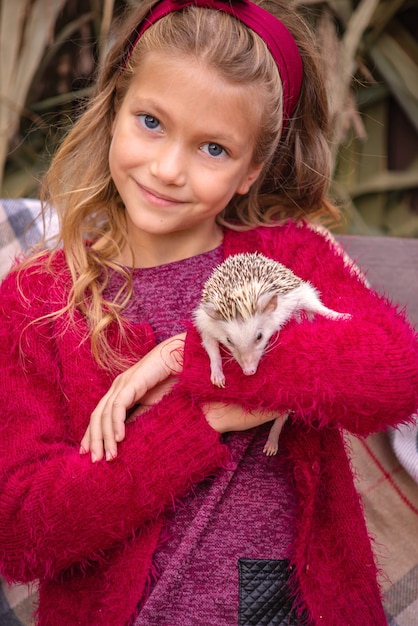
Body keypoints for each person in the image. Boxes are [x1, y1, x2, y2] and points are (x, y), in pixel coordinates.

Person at [0, 0, 417, 624]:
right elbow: (24, 530)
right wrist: (203, 416)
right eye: (150, 121)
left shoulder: (290, 255)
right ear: (115, 108)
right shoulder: (38, 301)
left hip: (292, 606)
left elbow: (393, 377)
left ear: (253, 168)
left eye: (214, 149)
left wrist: (183, 360)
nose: (168, 169)